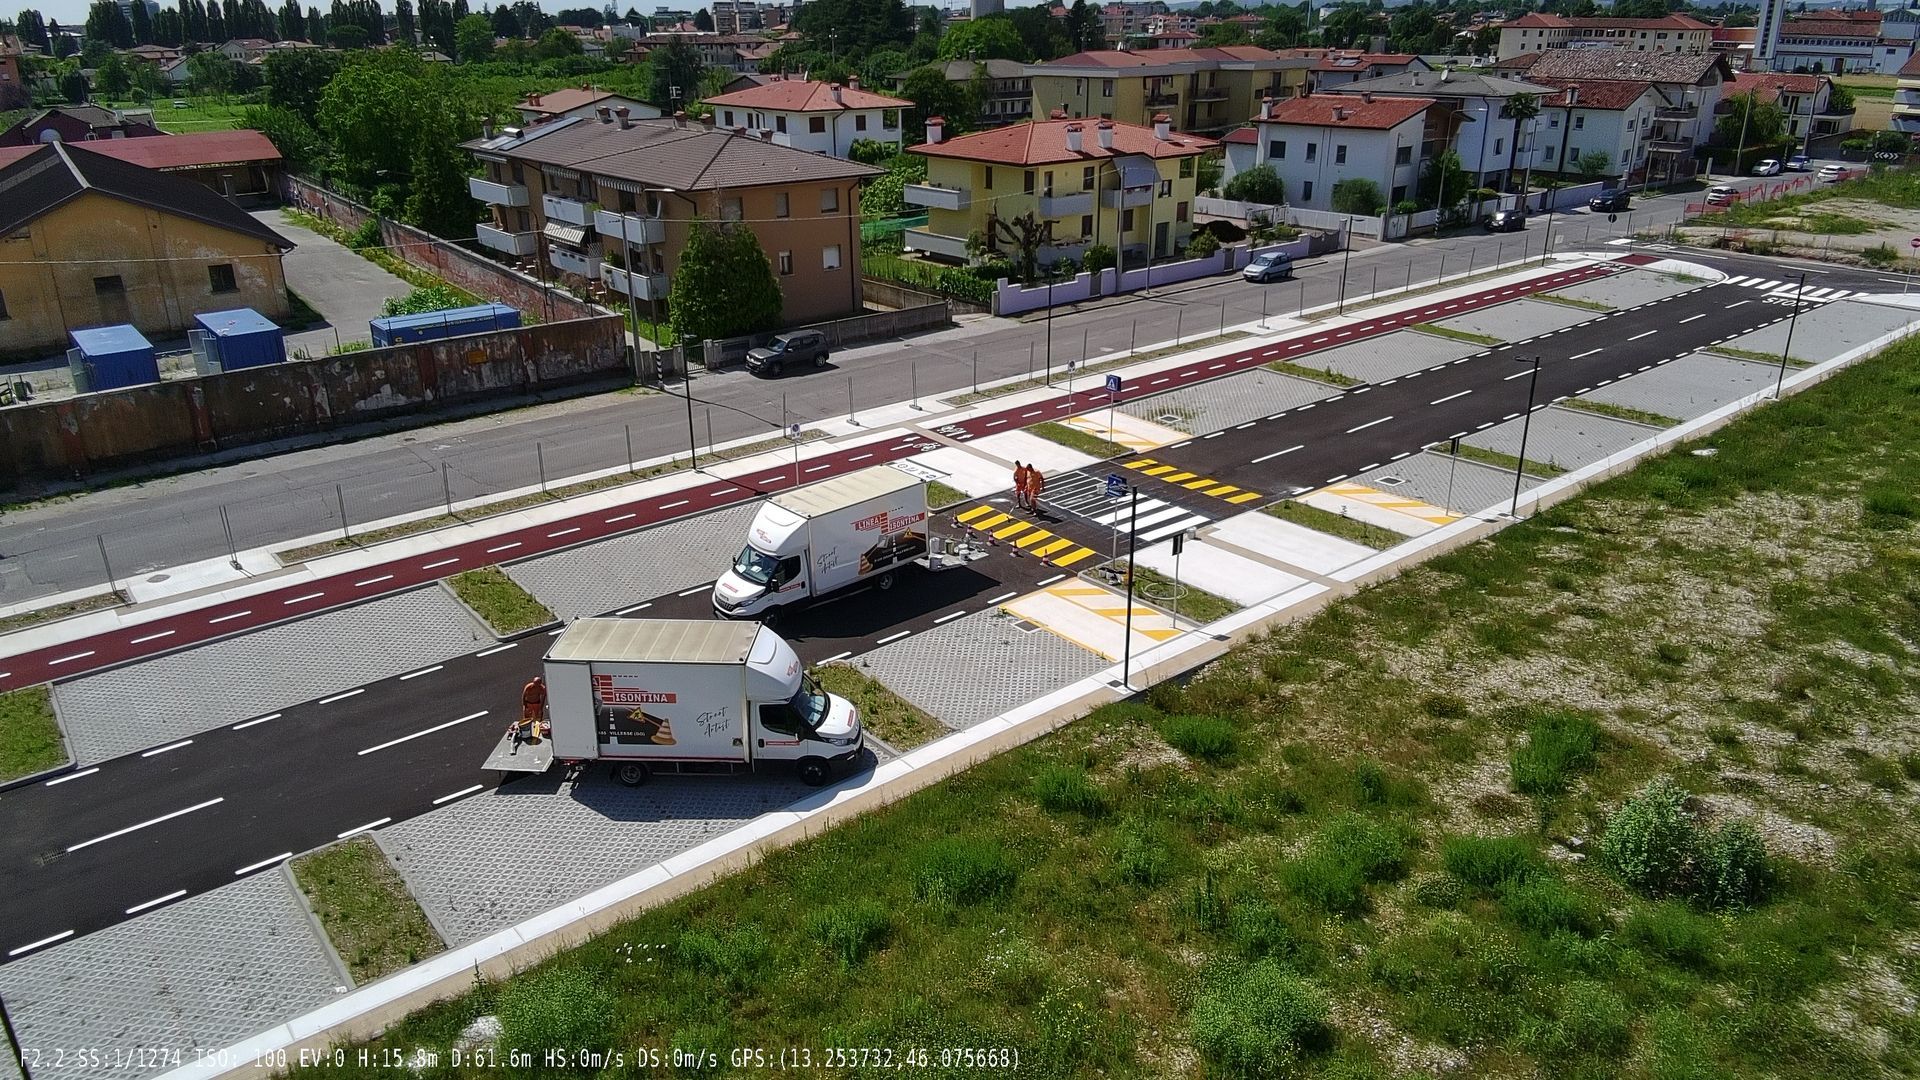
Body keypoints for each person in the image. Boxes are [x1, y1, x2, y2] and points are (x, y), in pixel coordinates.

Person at [520, 676, 548, 744]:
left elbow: (543, 698)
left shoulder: (542, 688)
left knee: (538, 716)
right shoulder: (528, 687)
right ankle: (527, 730)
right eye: (534, 683)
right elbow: (523, 696)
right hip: (528, 703)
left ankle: (538, 728)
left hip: (536, 703)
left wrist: (541, 707)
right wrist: (525, 705)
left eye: (537, 684)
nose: (535, 685)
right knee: (527, 717)